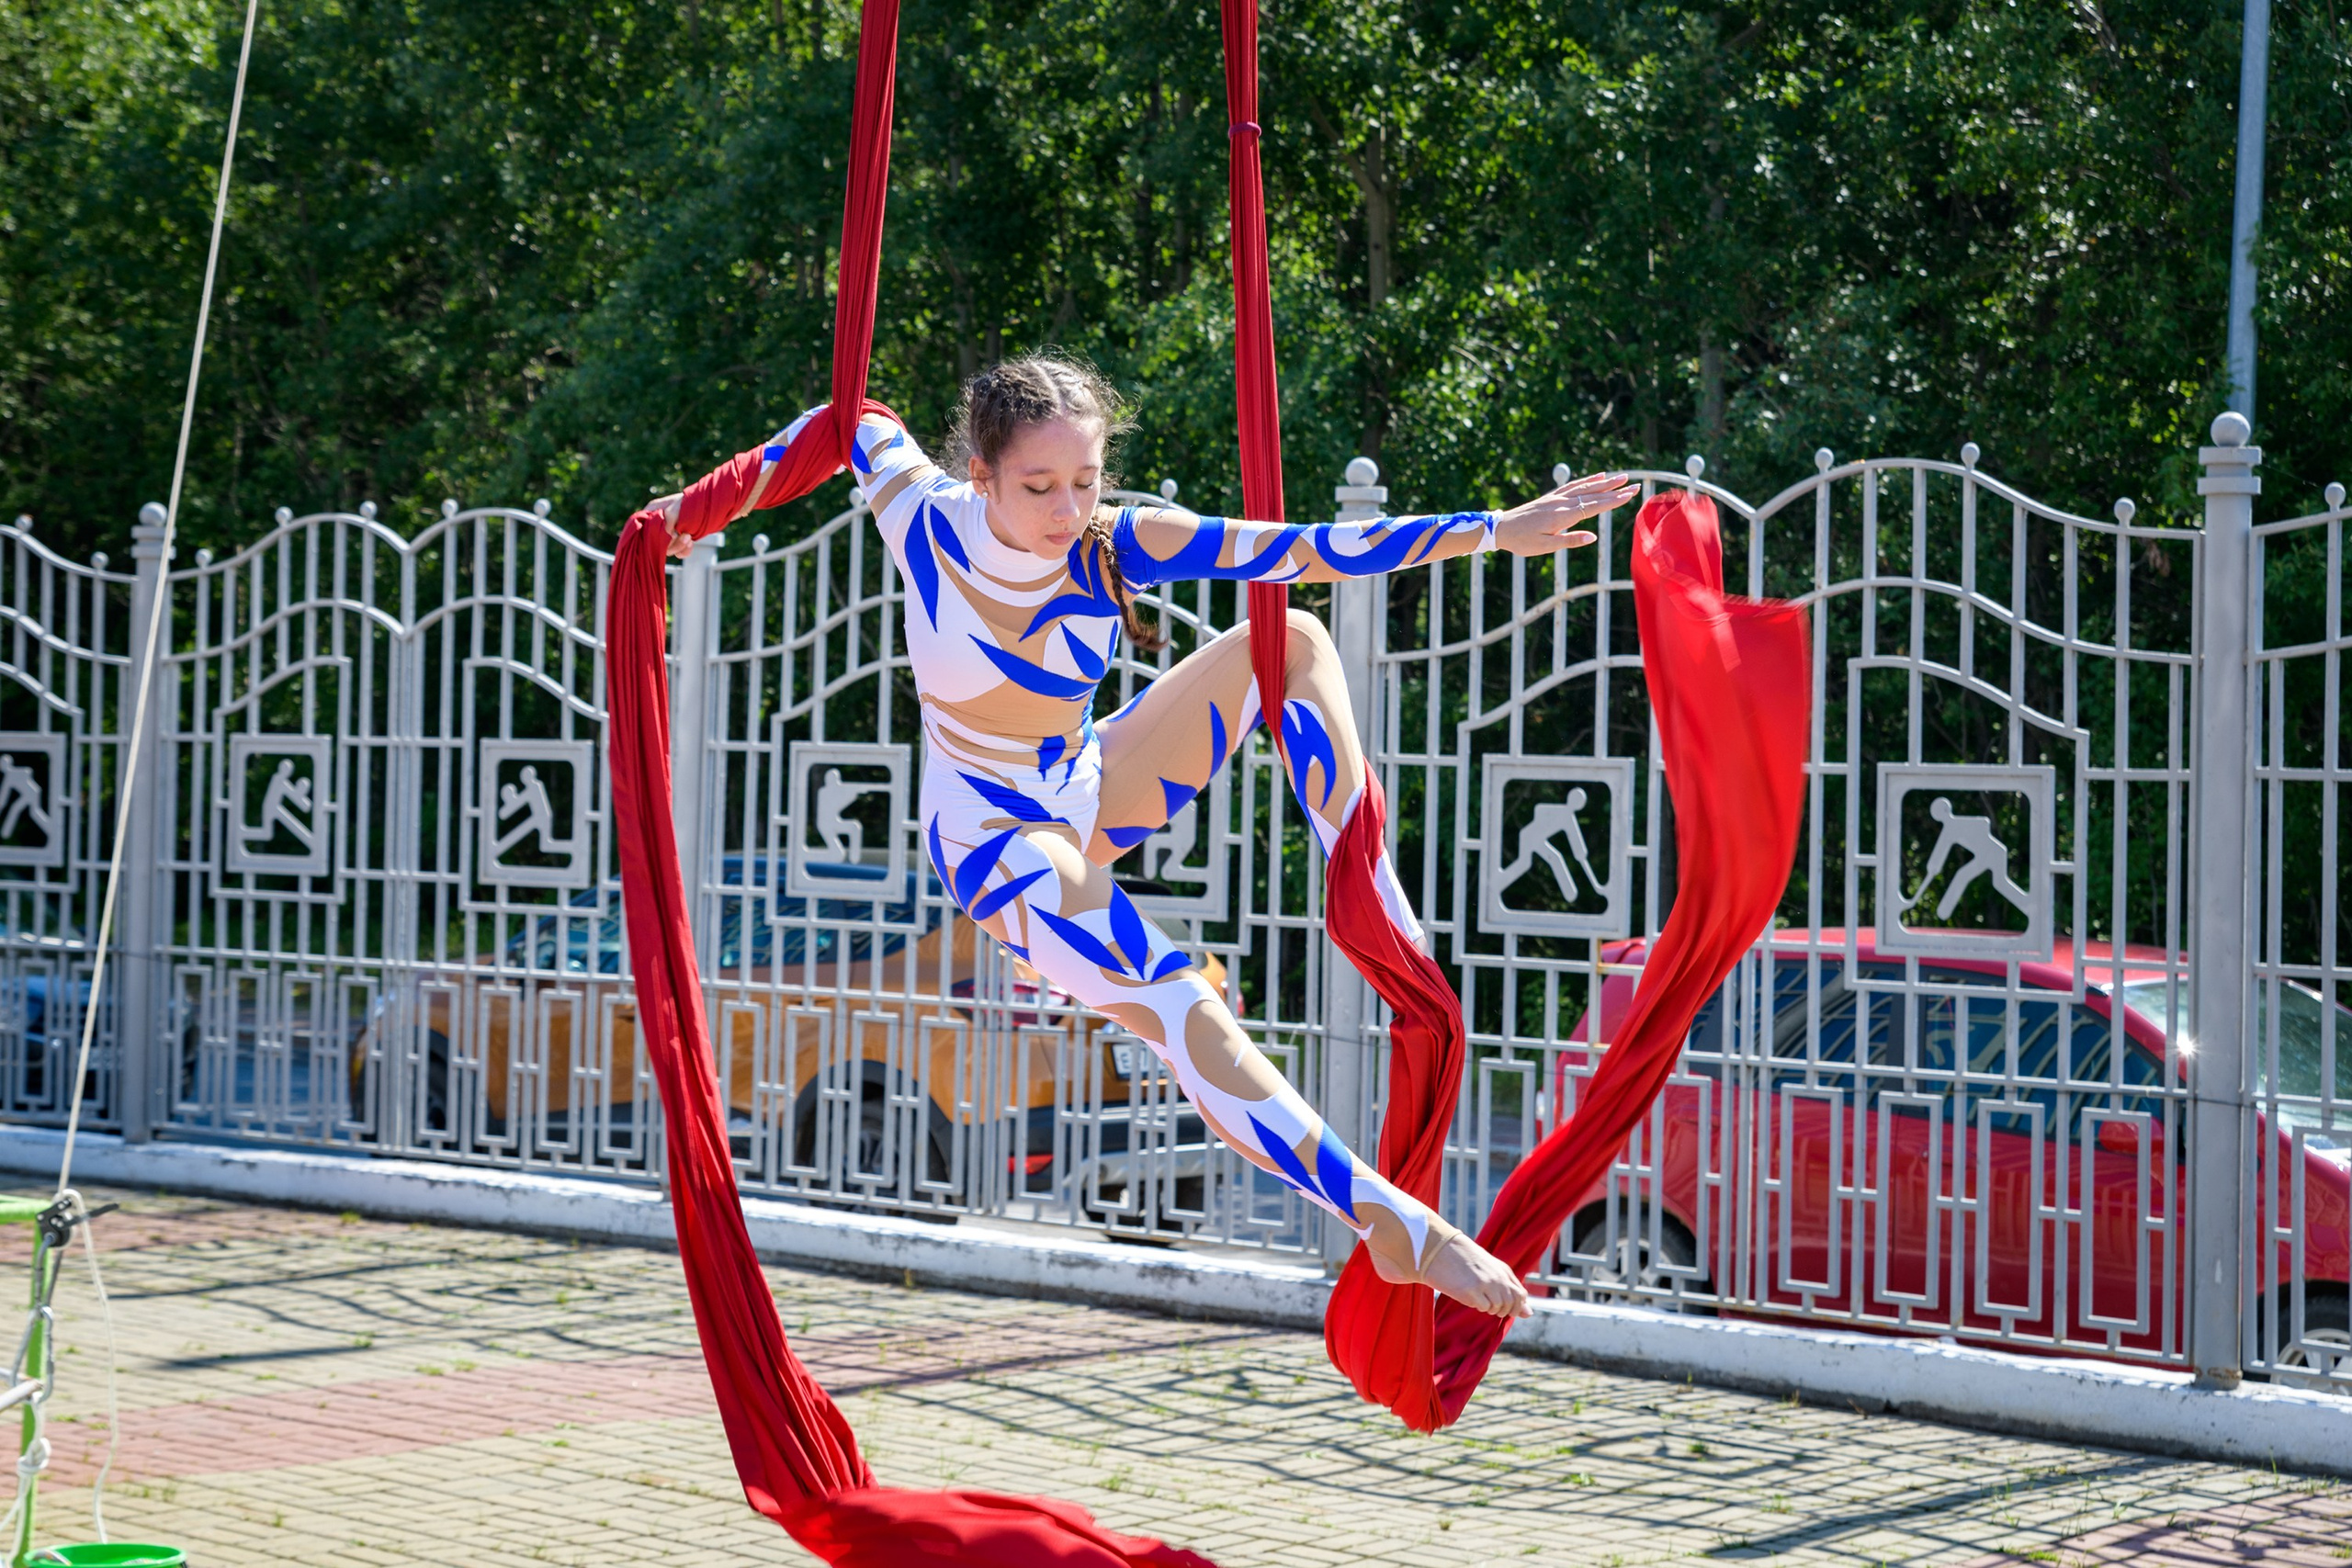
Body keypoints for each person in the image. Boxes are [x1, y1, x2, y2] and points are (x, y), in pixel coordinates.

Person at [655, 356, 1634, 1320]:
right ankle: (1388, 1221)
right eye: (1037, 485)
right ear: (981, 475)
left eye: (1084, 481)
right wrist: (683, 517)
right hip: (997, 841)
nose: (1066, 508)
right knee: (1174, 1000)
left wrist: (1493, 531)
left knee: (1287, 639)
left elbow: (1296, 547)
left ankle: (1373, 899)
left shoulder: (1113, 544)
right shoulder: (920, 516)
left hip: (1083, 785)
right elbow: (843, 421)